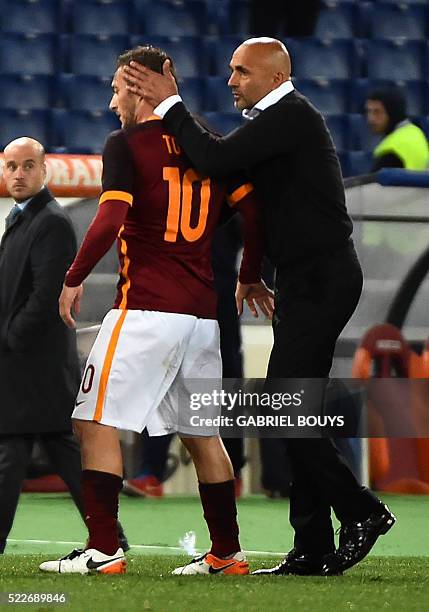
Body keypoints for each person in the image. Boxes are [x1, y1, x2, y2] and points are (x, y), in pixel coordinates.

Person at [123, 37, 396, 576]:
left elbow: (216, 159)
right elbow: (249, 204)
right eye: (229, 71)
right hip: (303, 279)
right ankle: (313, 547)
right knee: (292, 411)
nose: (230, 81)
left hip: (323, 277)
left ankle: (362, 510)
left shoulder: (292, 115)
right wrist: (249, 275)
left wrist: (173, 105)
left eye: (241, 72)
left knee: (286, 408)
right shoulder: (278, 125)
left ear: (273, 77)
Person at [39, 45, 273, 576]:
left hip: (145, 308)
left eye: (117, 89)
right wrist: (249, 271)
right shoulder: (207, 144)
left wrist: (73, 278)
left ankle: (102, 551)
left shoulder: (126, 144)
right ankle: (227, 553)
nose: (110, 101)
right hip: (202, 315)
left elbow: (110, 218)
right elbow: (254, 210)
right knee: (201, 433)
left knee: (93, 420)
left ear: (140, 90)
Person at [0, 138, 128, 554]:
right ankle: (111, 536)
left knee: (19, 453)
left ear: (43, 171)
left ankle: (110, 537)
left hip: (36, 362)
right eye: (11, 167)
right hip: (30, 363)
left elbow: (46, 294)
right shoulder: (24, 220)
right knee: (58, 453)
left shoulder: (50, 222)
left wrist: (9, 337)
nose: (18, 174)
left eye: (27, 166)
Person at [366, 88, 429, 172]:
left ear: (392, 113)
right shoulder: (416, 132)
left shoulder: (392, 150)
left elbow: (372, 183)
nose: (371, 119)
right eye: (369, 111)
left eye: (377, 112)